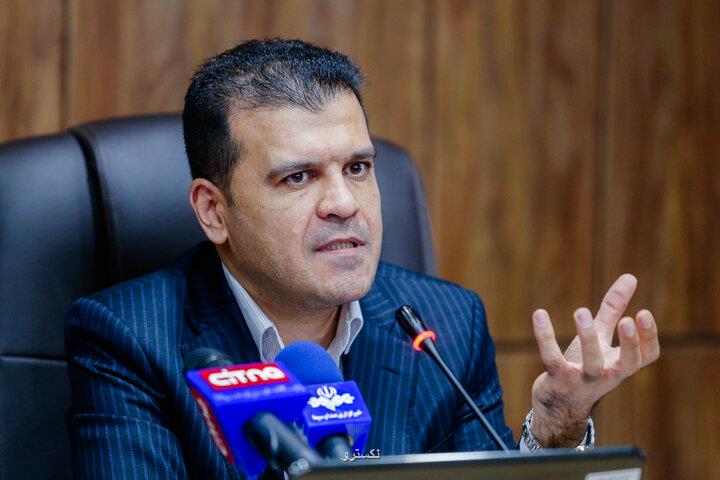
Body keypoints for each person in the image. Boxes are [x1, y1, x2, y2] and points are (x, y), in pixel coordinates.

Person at [65, 39, 660, 479]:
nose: (345, 203)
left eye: (357, 168)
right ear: (213, 211)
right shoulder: (131, 339)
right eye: (298, 177)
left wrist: (556, 426)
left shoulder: (446, 325)